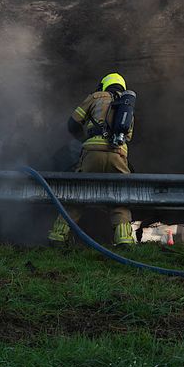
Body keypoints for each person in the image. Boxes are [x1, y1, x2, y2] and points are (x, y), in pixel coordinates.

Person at [48, 72, 137, 248]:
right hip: (118, 155)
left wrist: (84, 139)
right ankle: (124, 239)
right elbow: (129, 136)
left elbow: (72, 123)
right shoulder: (127, 107)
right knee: (120, 196)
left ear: (104, 85)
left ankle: (58, 235)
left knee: (79, 192)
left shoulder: (96, 96)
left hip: (92, 153)